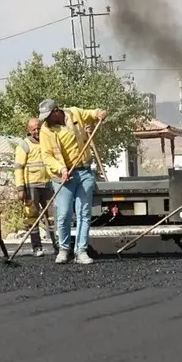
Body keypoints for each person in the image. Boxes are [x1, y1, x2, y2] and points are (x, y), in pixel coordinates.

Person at [37, 99, 107, 265]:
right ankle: (64, 249)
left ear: (56, 111)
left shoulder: (74, 112)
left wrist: (99, 113)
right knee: (64, 214)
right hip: (62, 175)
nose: (45, 119)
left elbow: (91, 113)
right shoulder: (46, 131)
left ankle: (81, 251)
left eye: (48, 115)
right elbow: (47, 156)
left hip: (84, 171)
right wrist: (61, 169)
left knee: (84, 212)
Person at [14, 117, 57, 257]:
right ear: (29, 130)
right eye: (33, 129)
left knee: (52, 217)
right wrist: (20, 188)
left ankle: (58, 246)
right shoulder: (24, 145)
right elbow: (18, 168)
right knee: (32, 217)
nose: (37, 131)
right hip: (31, 186)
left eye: (38, 128)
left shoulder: (47, 142)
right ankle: (37, 247)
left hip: (48, 185)